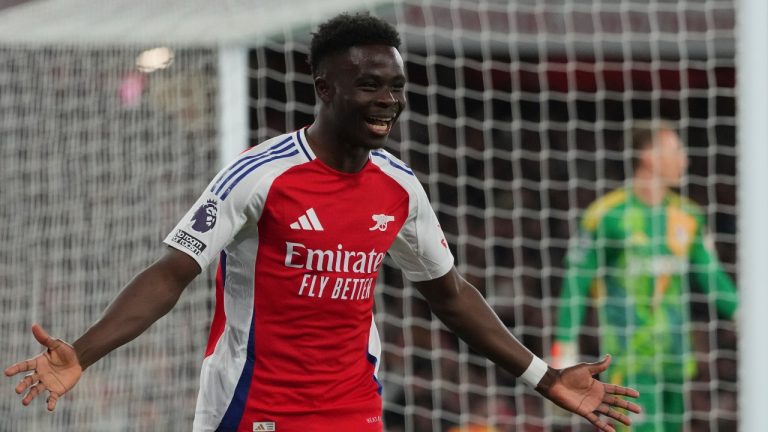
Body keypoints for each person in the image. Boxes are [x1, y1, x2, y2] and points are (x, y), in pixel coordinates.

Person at [5, 13, 639, 432]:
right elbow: (173, 273)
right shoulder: (261, 174)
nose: (389, 99)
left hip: (352, 409)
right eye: (370, 85)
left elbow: (449, 294)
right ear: (325, 87)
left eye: (396, 84)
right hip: (250, 406)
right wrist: (82, 353)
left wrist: (543, 376)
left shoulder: (399, 187)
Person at [552, 120, 738, 432]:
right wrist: (563, 346)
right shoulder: (608, 215)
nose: (685, 160)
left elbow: (712, 276)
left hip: (676, 357)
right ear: (649, 155)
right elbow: (576, 280)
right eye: (676, 151)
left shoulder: (688, 216)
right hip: (629, 360)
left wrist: (745, 316)